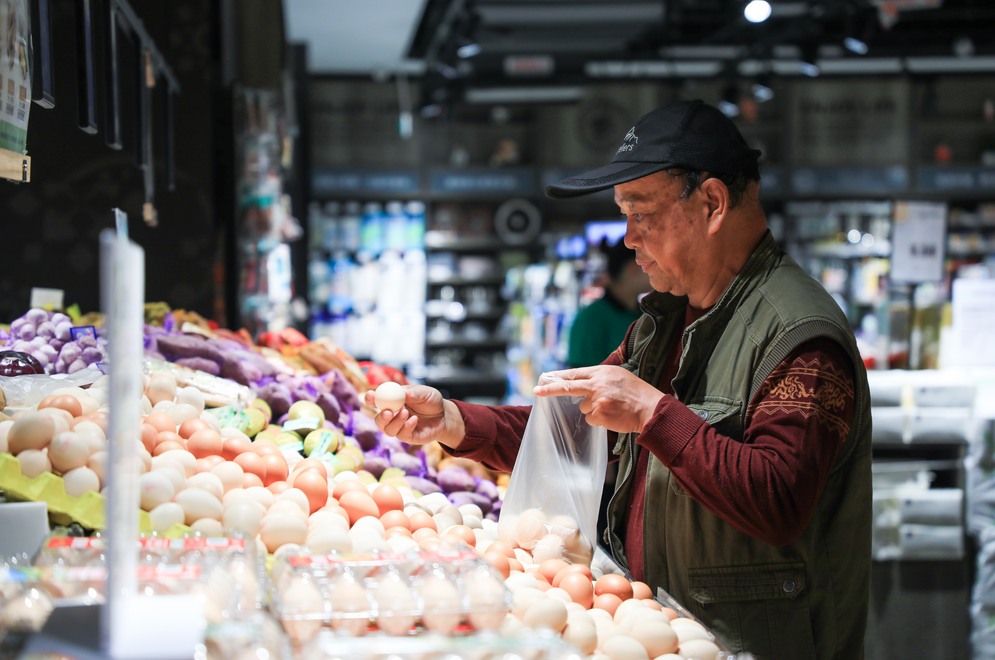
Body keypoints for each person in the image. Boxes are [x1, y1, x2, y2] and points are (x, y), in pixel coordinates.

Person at [368, 99, 871, 659]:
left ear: (711, 202)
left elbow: (778, 500)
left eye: (641, 214)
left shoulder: (801, 335)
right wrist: (454, 421)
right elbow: (571, 429)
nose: (628, 238)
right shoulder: (668, 321)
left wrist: (654, 414)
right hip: (666, 632)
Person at [567, 239, 651, 368]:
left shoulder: (647, 314)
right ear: (633, 267)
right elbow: (579, 379)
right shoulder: (591, 319)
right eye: (651, 263)